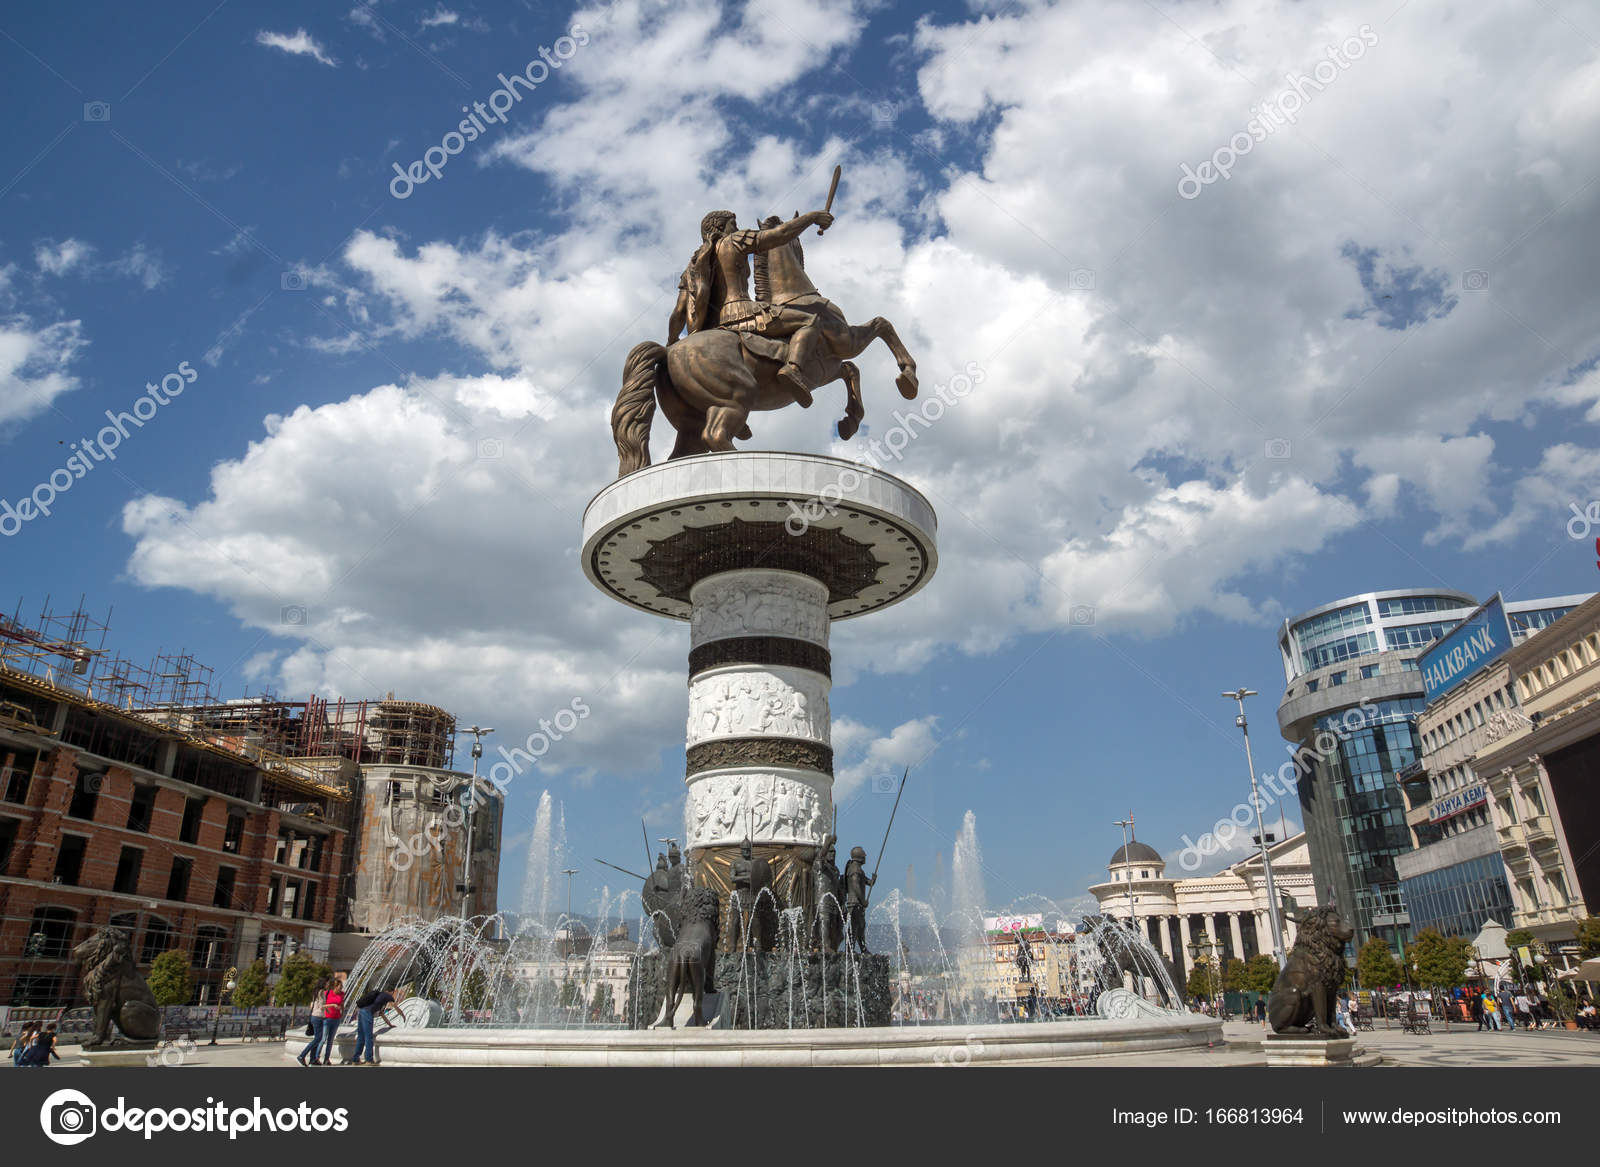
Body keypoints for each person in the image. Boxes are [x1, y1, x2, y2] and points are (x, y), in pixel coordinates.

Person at [348, 987, 403, 1065]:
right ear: (392, 991)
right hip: (367, 1013)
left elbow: (382, 1014)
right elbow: (396, 1007)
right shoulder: (388, 996)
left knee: (361, 1036)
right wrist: (403, 1016)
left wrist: (390, 1024)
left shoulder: (380, 996)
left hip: (361, 1011)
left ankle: (356, 1059)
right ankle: (369, 1059)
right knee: (368, 1037)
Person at [297, 977, 331, 1066]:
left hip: (316, 1017)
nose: (328, 985)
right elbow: (321, 1006)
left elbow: (316, 1005)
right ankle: (301, 1056)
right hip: (318, 1017)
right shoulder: (320, 992)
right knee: (318, 1039)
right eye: (327, 983)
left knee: (317, 1038)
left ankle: (313, 1059)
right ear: (323, 983)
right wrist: (332, 1005)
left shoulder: (317, 992)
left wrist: (327, 1010)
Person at [318, 973, 346, 1065]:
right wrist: (330, 1007)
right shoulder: (327, 993)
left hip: (336, 1019)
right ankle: (316, 1057)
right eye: (340, 986)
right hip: (327, 1018)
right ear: (335, 986)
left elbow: (342, 1004)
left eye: (341, 986)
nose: (341, 988)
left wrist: (342, 1013)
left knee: (330, 1040)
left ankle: (326, 1059)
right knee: (323, 1039)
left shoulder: (342, 994)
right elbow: (322, 1005)